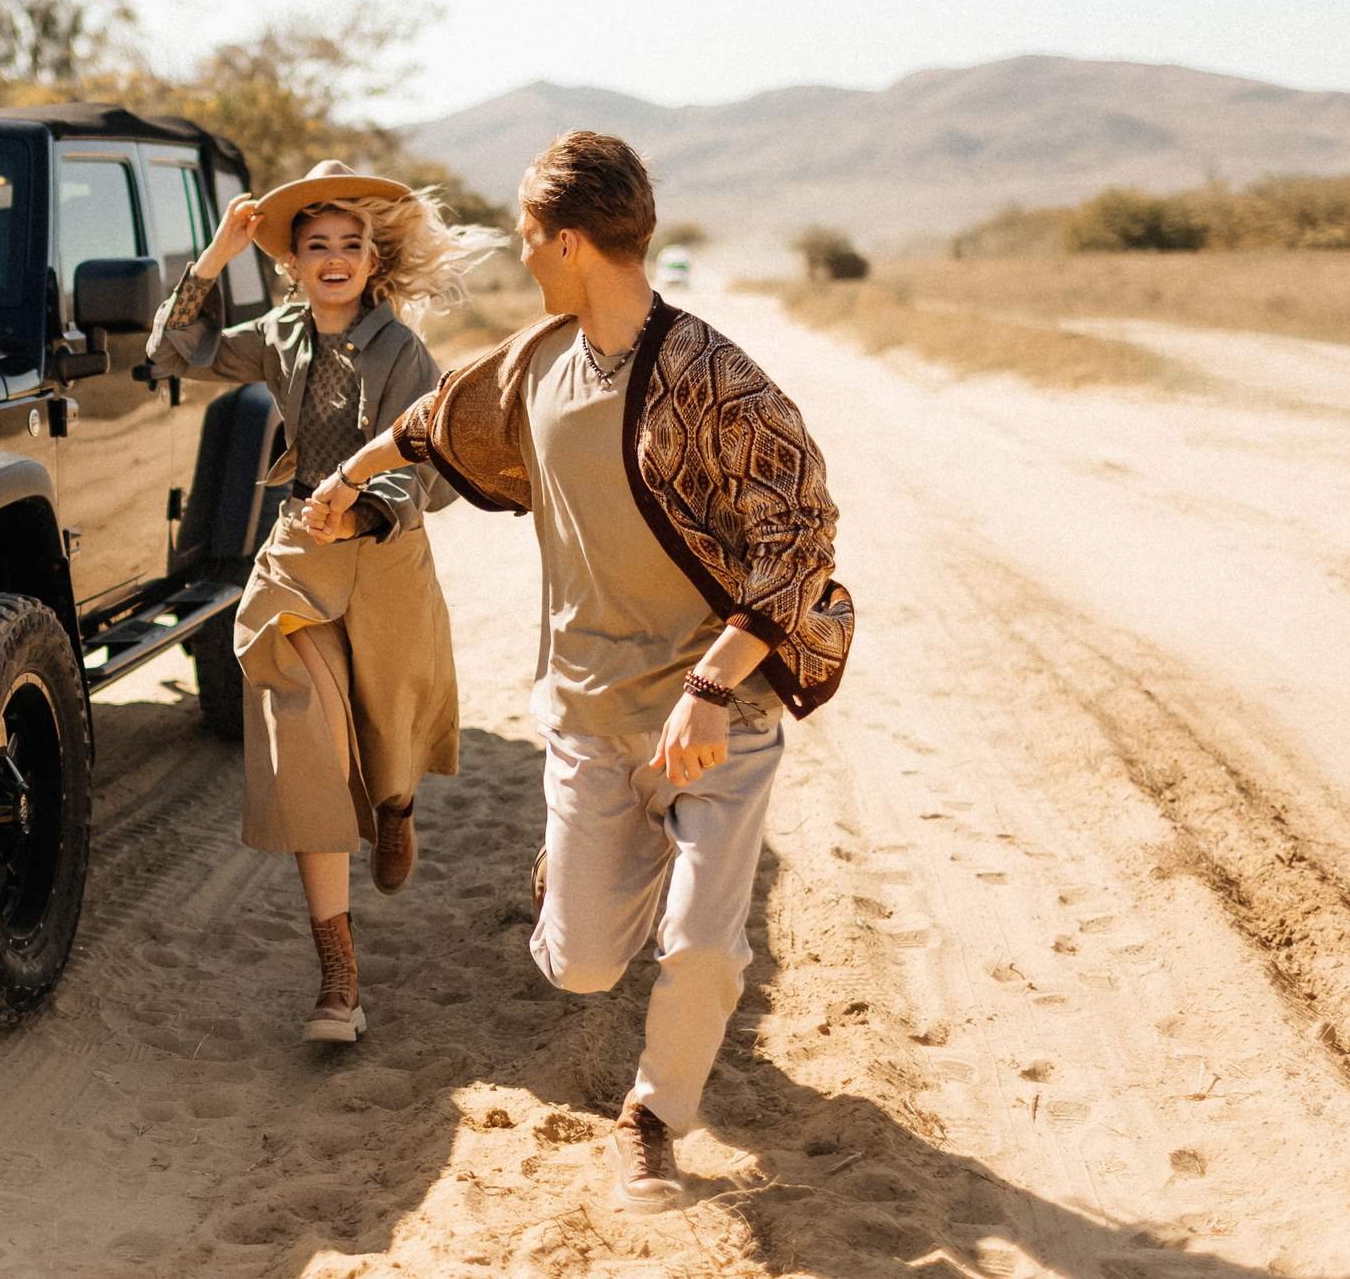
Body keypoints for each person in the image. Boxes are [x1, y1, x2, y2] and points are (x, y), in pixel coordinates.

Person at [304, 130, 852, 1208]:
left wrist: (707, 685)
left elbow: (800, 542)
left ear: (565, 241)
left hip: (716, 716)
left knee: (703, 946)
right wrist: (337, 485)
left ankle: (652, 1118)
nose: (520, 247)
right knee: (586, 966)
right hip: (588, 718)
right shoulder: (533, 362)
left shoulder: (715, 379)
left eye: (526, 232)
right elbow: (421, 428)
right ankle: (570, 876)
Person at [147, 158, 496, 1044]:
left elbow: (428, 464)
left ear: (372, 261)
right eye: (315, 246)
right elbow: (169, 352)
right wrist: (217, 253)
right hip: (300, 547)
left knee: (389, 727)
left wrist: (368, 506)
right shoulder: (277, 334)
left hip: (384, 552)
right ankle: (338, 975)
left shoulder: (402, 351)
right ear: (292, 264)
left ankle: (396, 805)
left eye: (350, 244)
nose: (333, 258)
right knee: (306, 737)